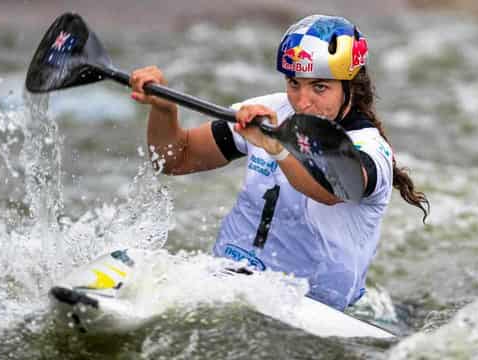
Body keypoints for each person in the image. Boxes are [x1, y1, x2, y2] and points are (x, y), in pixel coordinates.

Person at [130, 14, 429, 311]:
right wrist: (165, 111)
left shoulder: (369, 147)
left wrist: (278, 150)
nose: (302, 101)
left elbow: (333, 190)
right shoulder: (273, 110)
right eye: (294, 83)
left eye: (320, 87)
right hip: (227, 282)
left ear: (351, 86)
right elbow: (175, 159)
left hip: (314, 307)